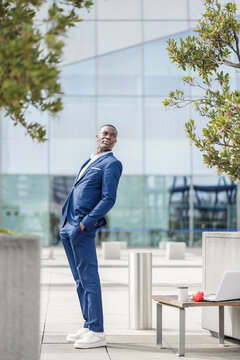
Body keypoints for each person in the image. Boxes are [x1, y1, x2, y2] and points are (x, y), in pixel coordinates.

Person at [59, 124, 122, 349]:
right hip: (69, 226)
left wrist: (85, 224)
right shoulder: (89, 161)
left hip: (82, 227)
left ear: (115, 141)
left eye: (113, 135)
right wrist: (65, 222)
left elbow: (108, 199)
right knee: (79, 280)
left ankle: (97, 330)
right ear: (97, 136)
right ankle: (88, 325)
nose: (108, 136)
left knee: (89, 278)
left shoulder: (112, 163)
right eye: (105, 133)